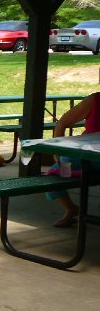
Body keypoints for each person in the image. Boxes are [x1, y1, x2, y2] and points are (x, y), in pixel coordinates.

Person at [47, 91, 100, 227]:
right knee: (53, 178)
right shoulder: (95, 100)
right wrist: (57, 152)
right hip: (86, 157)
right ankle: (71, 208)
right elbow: (62, 122)